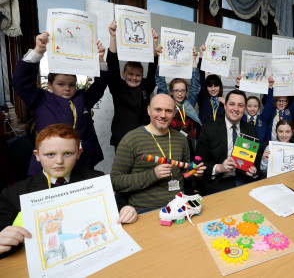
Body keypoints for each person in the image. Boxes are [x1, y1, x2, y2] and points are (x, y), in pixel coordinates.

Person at [0, 124, 138, 257]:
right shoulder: (13, 194)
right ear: (37, 155)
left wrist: (126, 211)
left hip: (94, 253)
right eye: (50, 154)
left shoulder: (97, 179)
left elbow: (115, 211)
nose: (59, 161)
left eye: (67, 153)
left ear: (79, 153)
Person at [12, 32, 109, 175]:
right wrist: (39, 50)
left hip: (84, 160)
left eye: (72, 84)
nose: (67, 89)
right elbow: (21, 82)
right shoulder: (40, 100)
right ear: (49, 84)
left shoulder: (83, 99)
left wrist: (100, 59)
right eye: (61, 84)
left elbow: (100, 85)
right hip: (52, 164)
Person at [110, 94, 206, 212]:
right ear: (149, 110)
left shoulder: (181, 139)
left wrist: (194, 173)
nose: (163, 115)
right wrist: (153, 174)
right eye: (158, 110)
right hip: (145, 210)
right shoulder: (131, 139)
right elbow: (115, 181)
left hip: (179, 206)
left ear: (175, 112)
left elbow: (184, 174)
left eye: (168, 111)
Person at [195, 90, 259, 195]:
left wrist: (253, 170)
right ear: (225, 106)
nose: (236, 109)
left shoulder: (251, 129)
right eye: (232, 104)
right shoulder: (209, 129)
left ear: (245, 109)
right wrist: (219, 168)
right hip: (217, 184)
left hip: (244, 182)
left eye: (240, 105)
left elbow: (255, 159)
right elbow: (198, 164)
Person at [107, 20, 159, 149]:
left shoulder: (146, 87)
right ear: (123, 73)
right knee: (123, 170)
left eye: (138, 75)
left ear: (142, 76)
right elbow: (112, 64)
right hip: (122, 140)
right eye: (130, 74)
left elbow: (153, 68)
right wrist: (113, 36)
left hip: (144, 139)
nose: (134, 78)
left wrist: (153, 43)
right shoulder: (117, 87)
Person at [155, 44, 201, 157]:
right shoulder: (168, 104)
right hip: (170, 142)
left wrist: (194, 60)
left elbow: (195, 86)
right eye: (176, 91)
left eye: (182, 91)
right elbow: (160, 82)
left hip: (188, 143)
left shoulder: (189, 103)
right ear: (171, 91)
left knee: (188, 170)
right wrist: (160, 58)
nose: (180, 94)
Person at [265, 72, 294, 142]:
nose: (281, 103)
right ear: (275, 102)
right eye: (278, 101)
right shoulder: (271, 111)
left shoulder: (289, 111)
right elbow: (268, 103)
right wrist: (270, 87)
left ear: (287, 102)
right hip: (272, 143)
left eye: (283, 101)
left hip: (287, 143)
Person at [197, 44, 225, 124]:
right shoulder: (203, 98)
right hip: (204, 134)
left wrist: (225, 103)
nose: (213, 89)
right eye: (210, 86)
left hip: (219, 135)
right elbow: (201, 77)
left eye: (216, 86)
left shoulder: (223, 103)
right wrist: (201, 55)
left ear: (220, 87)